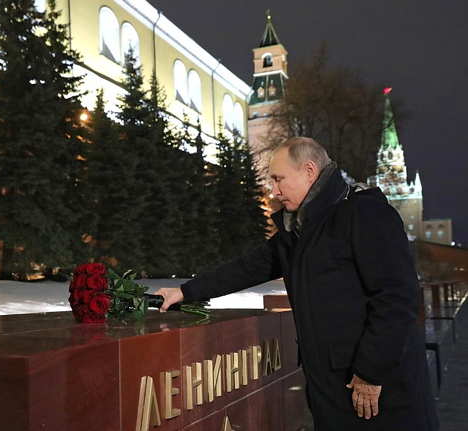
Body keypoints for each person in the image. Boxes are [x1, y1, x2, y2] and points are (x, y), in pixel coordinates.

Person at [156, 137, 439, 430]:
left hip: (378, 393)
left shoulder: (364, 213)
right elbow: (246, 268)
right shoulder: (299, 231)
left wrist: (370, 373)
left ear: (309, 170)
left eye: (279, 180)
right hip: (332, 389)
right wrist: (186, 291)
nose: (275, 192)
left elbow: (397, 297)